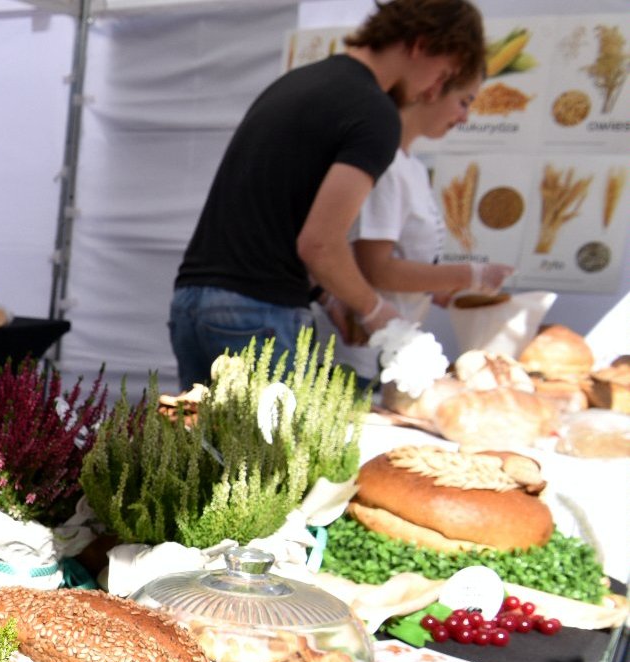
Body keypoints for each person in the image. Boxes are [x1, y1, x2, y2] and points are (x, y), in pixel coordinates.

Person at [168, 0, 486, 389]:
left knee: (199, 447)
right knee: (265, 452)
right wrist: (375, 312)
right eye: (444, 73)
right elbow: (319, 244)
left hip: (192, 301)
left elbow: (272, 215)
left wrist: (330, 296)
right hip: (258, 312)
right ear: (421, 45)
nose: (434, 89)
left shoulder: (299, 81)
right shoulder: (375, 112)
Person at [334, 69, 513, 377]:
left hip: (392, 348)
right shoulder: (387, 164)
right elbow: (376, 268)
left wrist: (437, 288)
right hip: (359, 354)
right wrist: (471, 274)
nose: (464, 117)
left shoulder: (412, 167)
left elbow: (406, 257)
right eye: (463, 102)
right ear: (432, 89)